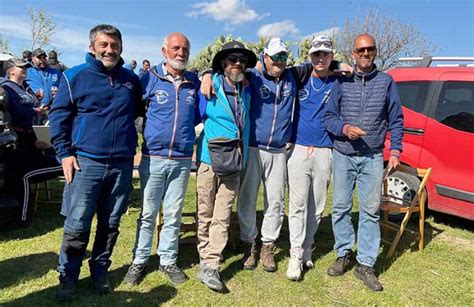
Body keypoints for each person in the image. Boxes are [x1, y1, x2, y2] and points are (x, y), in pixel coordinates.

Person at [48, 24, 143, 300]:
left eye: (114, 45)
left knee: (111, 223)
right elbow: (58, 117)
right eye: (104, 45)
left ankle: (100, 269)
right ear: (92, 47)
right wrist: (65, 153)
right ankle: (68, 275)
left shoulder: (130, 80)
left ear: (121, 47)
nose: (109, 50)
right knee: (77, 223)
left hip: (122, 164)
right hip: (85, 163)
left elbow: (137, 112)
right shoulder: (74, 76)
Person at [323, 33, 403, 291]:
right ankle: (344, 253)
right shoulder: (342, 83)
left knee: (370, 211)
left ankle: (365, 264)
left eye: (370, 49)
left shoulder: (386, 82)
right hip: (344, 153)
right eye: (361, 50)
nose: (365, 53)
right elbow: (329, 117)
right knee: (341, 208)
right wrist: (345, 128)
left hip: (372, 156)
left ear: (375, 52)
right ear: (353, 54)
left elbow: (396, 119)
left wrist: (396, 151)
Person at [123, 32, 201, 286]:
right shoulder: (149, 78)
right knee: (147, 214)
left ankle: (168, 260)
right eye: (176, 48)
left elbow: (198, 116)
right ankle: (140, 260)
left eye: (185, 50)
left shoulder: (194, 82)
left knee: (173, 213)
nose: (181, 53)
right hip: (153, 158)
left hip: (181, 160)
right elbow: (134, 109)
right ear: (164, 51)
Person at [196, 41, 256, 291]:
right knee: (205, 212)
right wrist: (205, 74)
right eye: (232, 59)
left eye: (241, 60)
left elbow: (281, 70)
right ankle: (203, 256)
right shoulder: (211, 84)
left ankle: (211, 265)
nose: (237, 64)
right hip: (209, 160)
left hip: (235, 162)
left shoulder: (248, 87)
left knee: (222, 215)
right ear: (222, 63)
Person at [236, 38, 297, 273]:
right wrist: (209, 74)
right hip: (253, 147)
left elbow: (320, 64)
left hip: (279, 150)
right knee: (247, 199)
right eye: (275, 57)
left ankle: (268, 246)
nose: (280, 62)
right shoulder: (252, 75)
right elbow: (225, 69)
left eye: (283, 57)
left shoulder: (294, 75)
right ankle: (249, 244)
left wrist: (340, 65)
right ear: (264, 56)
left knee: (275, 201)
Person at [286, 35, 338, 280]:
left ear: (332, 56)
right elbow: (269, 70)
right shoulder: (300, 77)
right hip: (298, 148)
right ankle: (294, 255)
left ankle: (307, 246)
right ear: (309, 57)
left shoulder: (339, 80)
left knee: (317, 206)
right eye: (316, 53)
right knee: (296, 205)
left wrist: (341, 68)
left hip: (325, 150)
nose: (320, 57)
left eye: (325, 53)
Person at [1, 58, 62, 223]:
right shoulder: (7, 88)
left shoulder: (25, 87)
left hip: (32, 134)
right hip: (17, 137)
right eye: (21, 67)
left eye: (26, 67)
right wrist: (35, 110)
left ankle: (22, 207)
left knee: (32, 167)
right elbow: (15, 110)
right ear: (11, 70)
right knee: (19, 173)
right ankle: (18, 212)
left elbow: (34, 105)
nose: (25, 70)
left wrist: (42, 108)